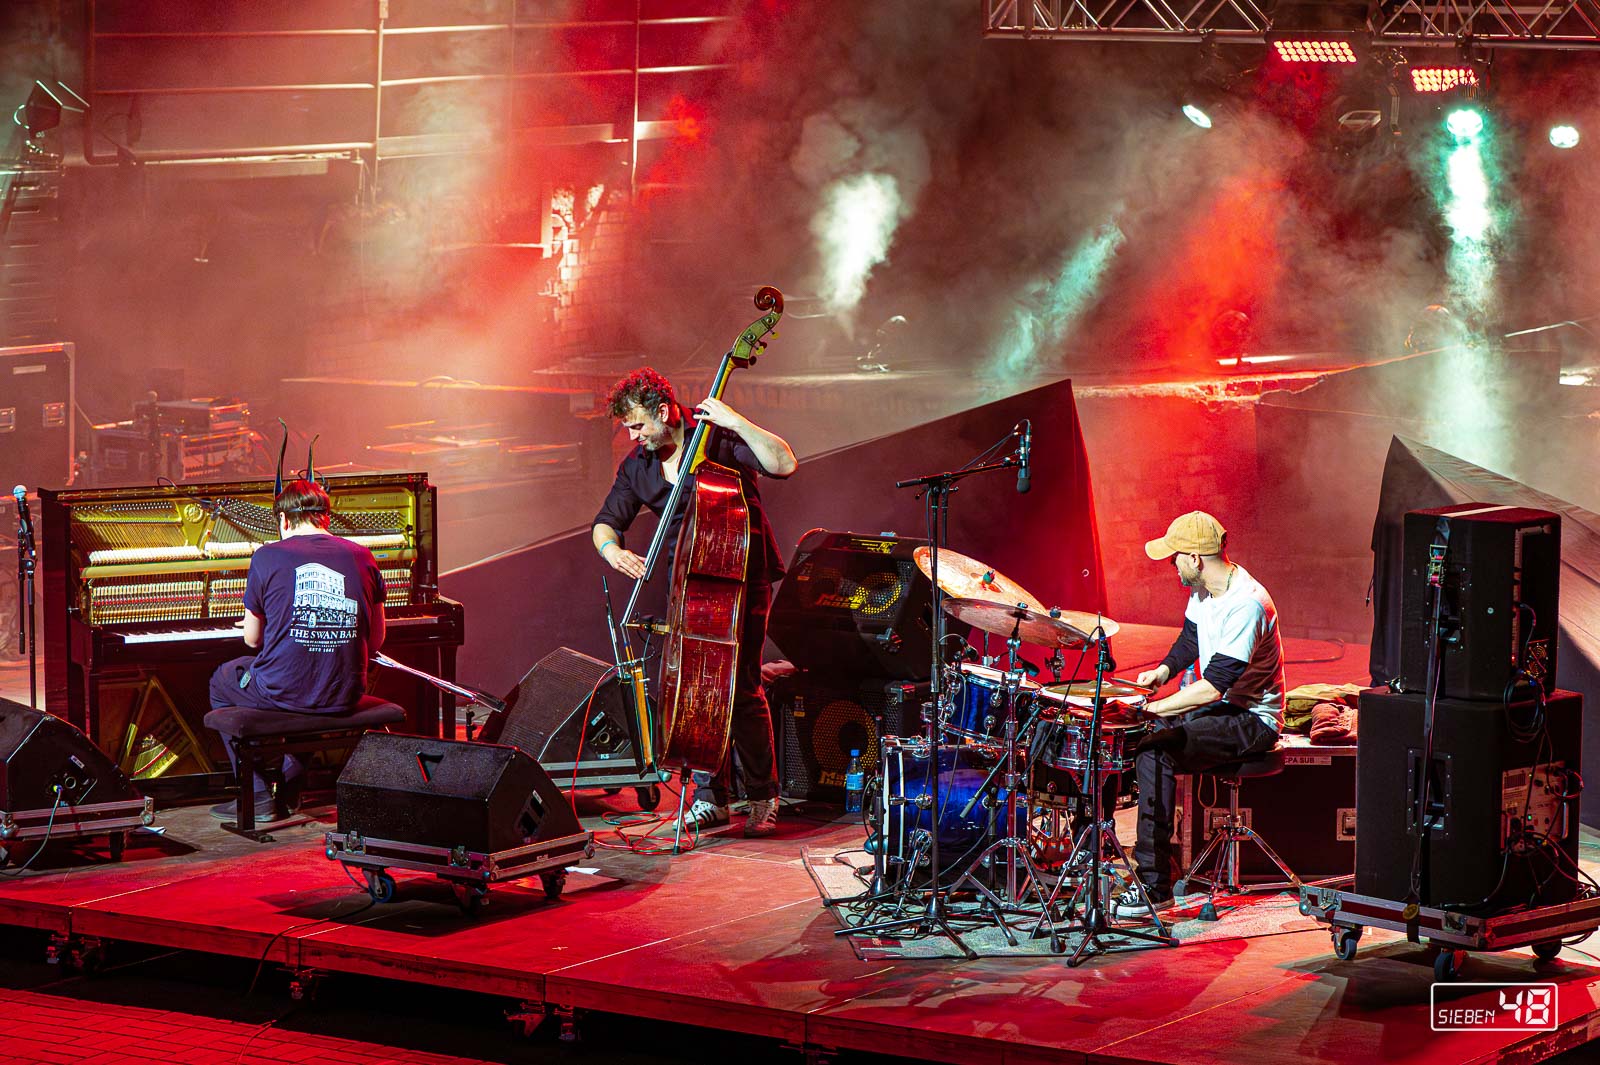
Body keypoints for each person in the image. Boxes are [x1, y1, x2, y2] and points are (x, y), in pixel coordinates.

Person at [592, 368, 797, 838]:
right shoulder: (639, 464)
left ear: (663, 412)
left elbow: (783, 464)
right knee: (694, 689)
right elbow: (605, 522)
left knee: (739, 688)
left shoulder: (718, 439)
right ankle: (712, 798)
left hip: (741, 578)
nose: (633, 435)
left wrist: (738, 420)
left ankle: (764, 795)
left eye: (638, 425)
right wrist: (613, 550)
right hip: (686, 584)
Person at [1116, 510, 1284, 917]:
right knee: (1129, 734)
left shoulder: (1246, 604)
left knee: (1154, 749)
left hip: (1251, 720)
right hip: (1222, 706)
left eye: (1174, 557)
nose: (1170, 565)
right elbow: (1191, 637)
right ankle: (1144, 858)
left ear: (1193, 558)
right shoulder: (1205, 588)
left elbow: (1213, 685)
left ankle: (1155, 887)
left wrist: (1148, 707)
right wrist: (1163, 671)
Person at [207, 479, 387, 823]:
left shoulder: (267, 556)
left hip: (284, 692)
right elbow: (376, 640)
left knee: (223, 679)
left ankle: (259, 793)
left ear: (284, 521)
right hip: (344, 692)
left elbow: (252, 641)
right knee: (317, 680)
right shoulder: (363, 556)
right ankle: (290, 783)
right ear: (327, 519)